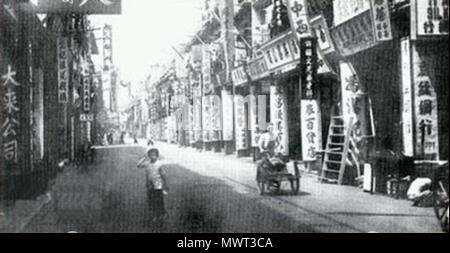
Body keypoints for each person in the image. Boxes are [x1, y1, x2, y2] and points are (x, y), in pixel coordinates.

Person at [137, 147, 168, 222]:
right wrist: (144, 157)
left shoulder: (159, 164)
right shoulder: (147, 164)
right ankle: (155, 215)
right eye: (150, 154)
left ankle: (162, 214)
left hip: (158, 185)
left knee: (159, 201)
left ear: (157, 155)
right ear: (148, 155)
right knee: (151, 201)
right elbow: (138, 165)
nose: (152, 156)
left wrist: (165, 185)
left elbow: (163, 175)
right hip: (150, 186)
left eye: (154, 154)